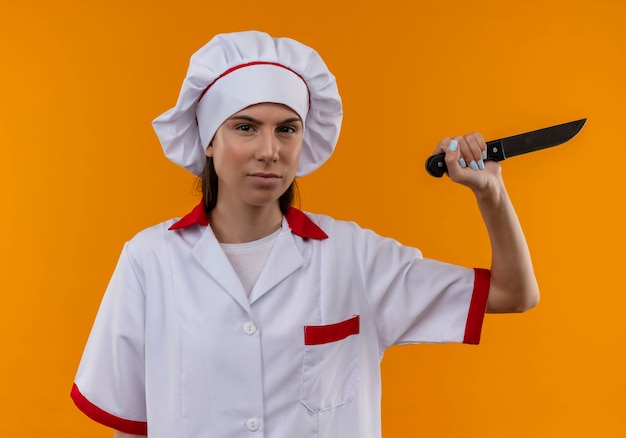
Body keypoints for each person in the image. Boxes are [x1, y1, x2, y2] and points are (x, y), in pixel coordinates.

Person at [71, 30, 539, 438]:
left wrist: (490, 193)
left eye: (287, 129)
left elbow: (514, 293)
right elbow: (131, 426)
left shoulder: (353, 257)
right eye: (246, 127)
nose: (269, 151)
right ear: (209, 139)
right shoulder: (149, 260)